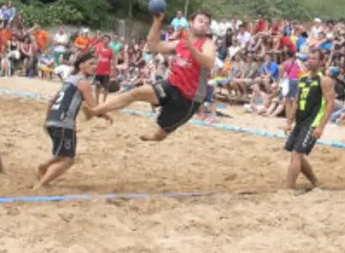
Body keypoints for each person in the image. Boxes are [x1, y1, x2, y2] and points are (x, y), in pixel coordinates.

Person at [93, 11, 216, 141]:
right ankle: (97, 110)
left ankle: (154, 137)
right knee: (136, 92)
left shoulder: (208, 43)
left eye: (207, 23)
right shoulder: (180, 43)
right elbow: (153, 45)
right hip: (172, 84)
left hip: (189, 97)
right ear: (191, 22)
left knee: (161, 133)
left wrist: (191, 47)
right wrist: (157, 22)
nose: (204, 25)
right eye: (200, 21)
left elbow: (208, 63)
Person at [35, 53, 108, 189]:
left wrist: (46, 120)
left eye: (96, 64)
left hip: (53, 119)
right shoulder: (83, 83)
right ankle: (41, 183)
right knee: (68, 159)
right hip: (64, 123)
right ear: (81, 65)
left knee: (63, 154)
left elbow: (51, 101)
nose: (95, 66)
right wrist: (106, 115)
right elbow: (94, 107)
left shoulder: (70, 80)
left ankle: (43, 170)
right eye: (91, 63)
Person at [283, 49, 335, 191]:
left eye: (314, 58)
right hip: (300, 121)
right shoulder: (303, 79)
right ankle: (315, 183)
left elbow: (331, 104)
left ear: (321, 62)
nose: (310, 60)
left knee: (296, 154)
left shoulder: (324, 80)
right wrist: (289, 122)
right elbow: (296, 102)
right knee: (297, 153)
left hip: (313, 122)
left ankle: (289, 188)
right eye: (309, 58)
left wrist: (321, 127)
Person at [94, 35, 116, 102]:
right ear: (103, 40)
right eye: (105, 40)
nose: (106, 41)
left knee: (106, 87)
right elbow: (95, 57)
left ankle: (104, 101)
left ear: (109, 41)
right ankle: (96, 101)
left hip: (106, 71)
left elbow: (113, 60)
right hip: (98, 70)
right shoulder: (98, 47)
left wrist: (113, 70)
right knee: (97, 86)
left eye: (107, 40)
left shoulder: (111, 50)